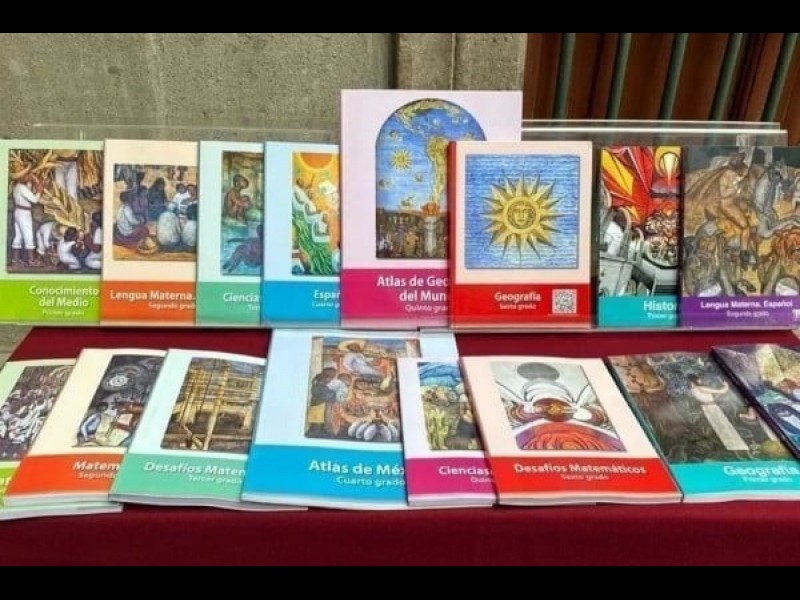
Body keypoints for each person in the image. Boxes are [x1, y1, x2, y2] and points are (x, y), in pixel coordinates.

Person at [10, 173, 45, 267]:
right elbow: (35, 200)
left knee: (18, 236)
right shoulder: (22, 187)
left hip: (19, 212)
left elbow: (29, 188)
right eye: (26, 175)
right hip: (24, 213)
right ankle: (32, 261)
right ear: (21, 177)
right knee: (29, 236)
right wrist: (39, 190)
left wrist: (34, 180)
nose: (29, 177)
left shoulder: (18, 186)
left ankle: (15, 260)